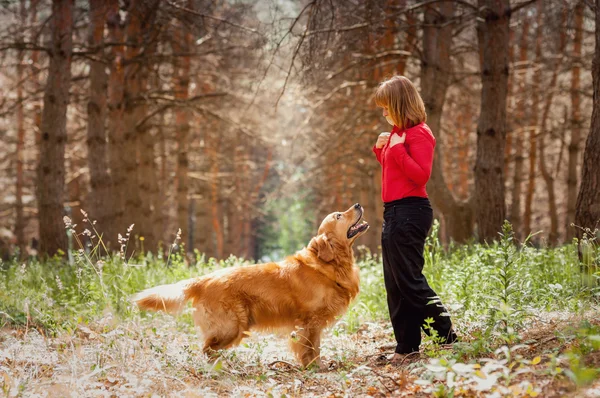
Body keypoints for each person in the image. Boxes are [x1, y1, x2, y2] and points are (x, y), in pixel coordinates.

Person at [372, 75, 457, 364]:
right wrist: (381, 150)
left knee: (409, 280)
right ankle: (406, 346)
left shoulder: (420, 133)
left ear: (398, 104)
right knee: (395, 284)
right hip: (394, 212)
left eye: (386, 106)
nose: (383, 112)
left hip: (411, 211)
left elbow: (421, 175)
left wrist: (395, 149)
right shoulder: (398, 135)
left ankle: (447, 337)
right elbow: (393, 173)